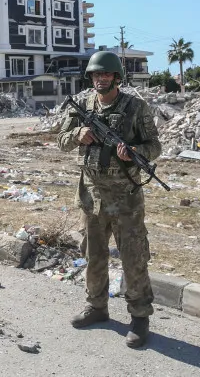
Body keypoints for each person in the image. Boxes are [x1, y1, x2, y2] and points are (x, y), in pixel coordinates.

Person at [57, 51, 161, 348]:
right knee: (94, 255)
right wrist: (79, 134)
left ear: (117, 77)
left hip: (126, 198)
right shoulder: (84, 104)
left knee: (133, 257)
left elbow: (155, 145)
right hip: (92, 196)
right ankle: (97, 307)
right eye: (95, 75)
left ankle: (140, 316)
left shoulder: (135, 107)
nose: (99, 80)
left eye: (105, 75)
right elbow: (61, 140)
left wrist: (135, 153)